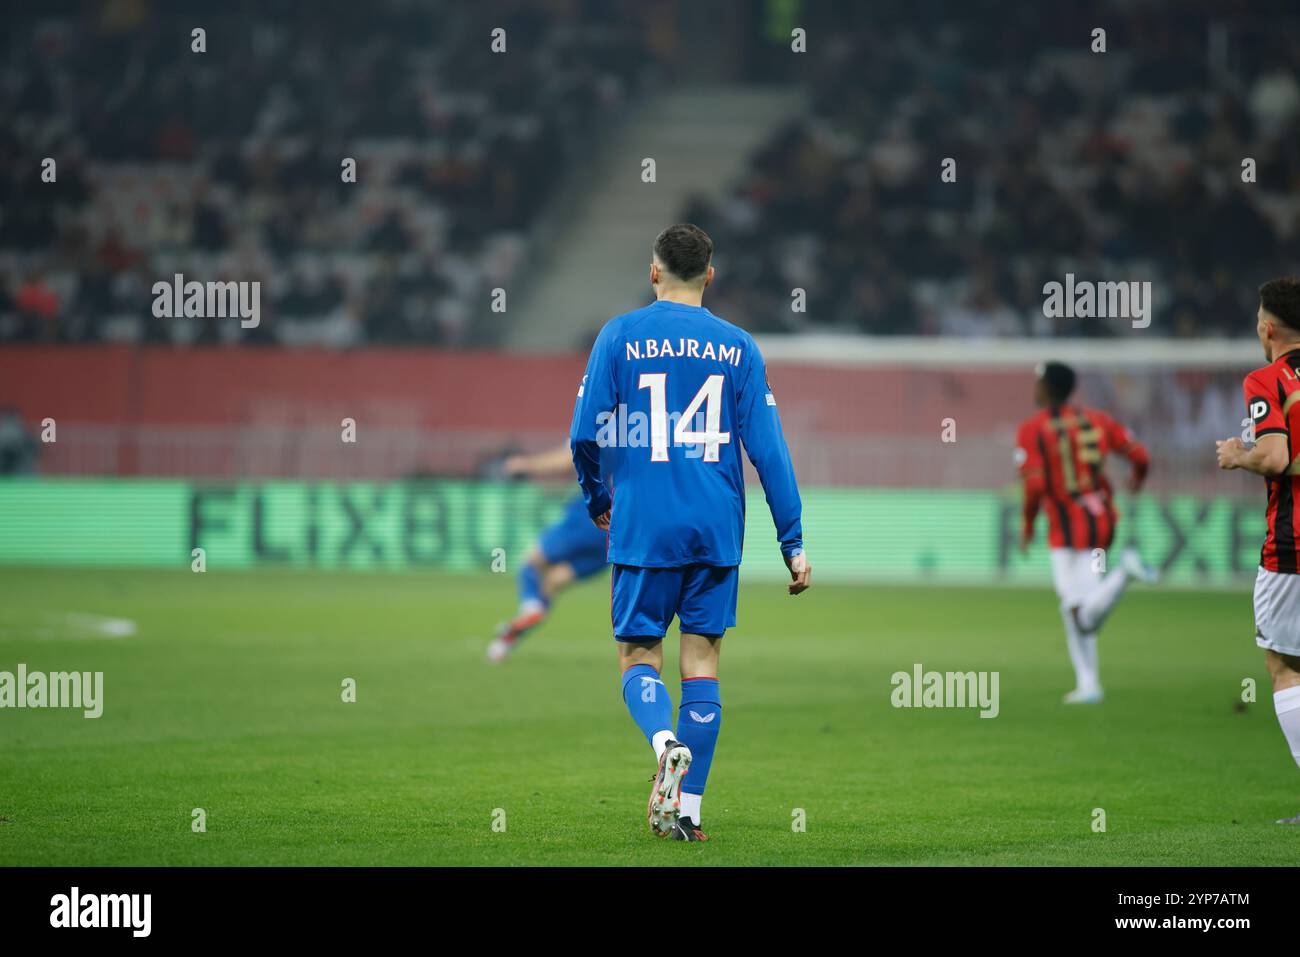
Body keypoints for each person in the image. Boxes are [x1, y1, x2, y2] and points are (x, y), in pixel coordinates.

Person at [570, 223, 811, 841]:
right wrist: (793, 540)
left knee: (637, 657)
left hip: (644, 526)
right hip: (715, 526)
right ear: (710, 275)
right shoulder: (739, 348)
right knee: (701, 665)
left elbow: (584, 433)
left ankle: (663, 742)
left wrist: (599, 496)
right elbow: (771, 453)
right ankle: (690, 811)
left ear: (654, 273)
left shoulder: (619, 335)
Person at [1015, 361, 1158, 704]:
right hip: (1101, 525)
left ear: (1047, 389)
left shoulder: (1033, 429)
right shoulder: (1098, 420)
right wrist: (1135, 481)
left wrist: (1028, 523)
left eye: (1037, 383)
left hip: (1067, 532)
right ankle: (1089, 683)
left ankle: (1125, 573)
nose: (1034, 390)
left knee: (1081, 614)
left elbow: (1034, 486)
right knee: (1079, 606)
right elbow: (1140, 455)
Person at [1215, 277, 1300, 824]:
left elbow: (1274, 455)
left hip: (1293, 548)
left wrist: (1236, 454)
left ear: (1267, 328)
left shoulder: (1267, 377)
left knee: (1285, 665)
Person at [485, 446, 610, 663]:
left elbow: (565, 459)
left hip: (588, 518)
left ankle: (530, 607)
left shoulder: (600, 424)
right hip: (617, 532)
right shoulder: (644, 435)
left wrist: (523, 464)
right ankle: (504, 643)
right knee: (552, 582)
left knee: (530, 563)